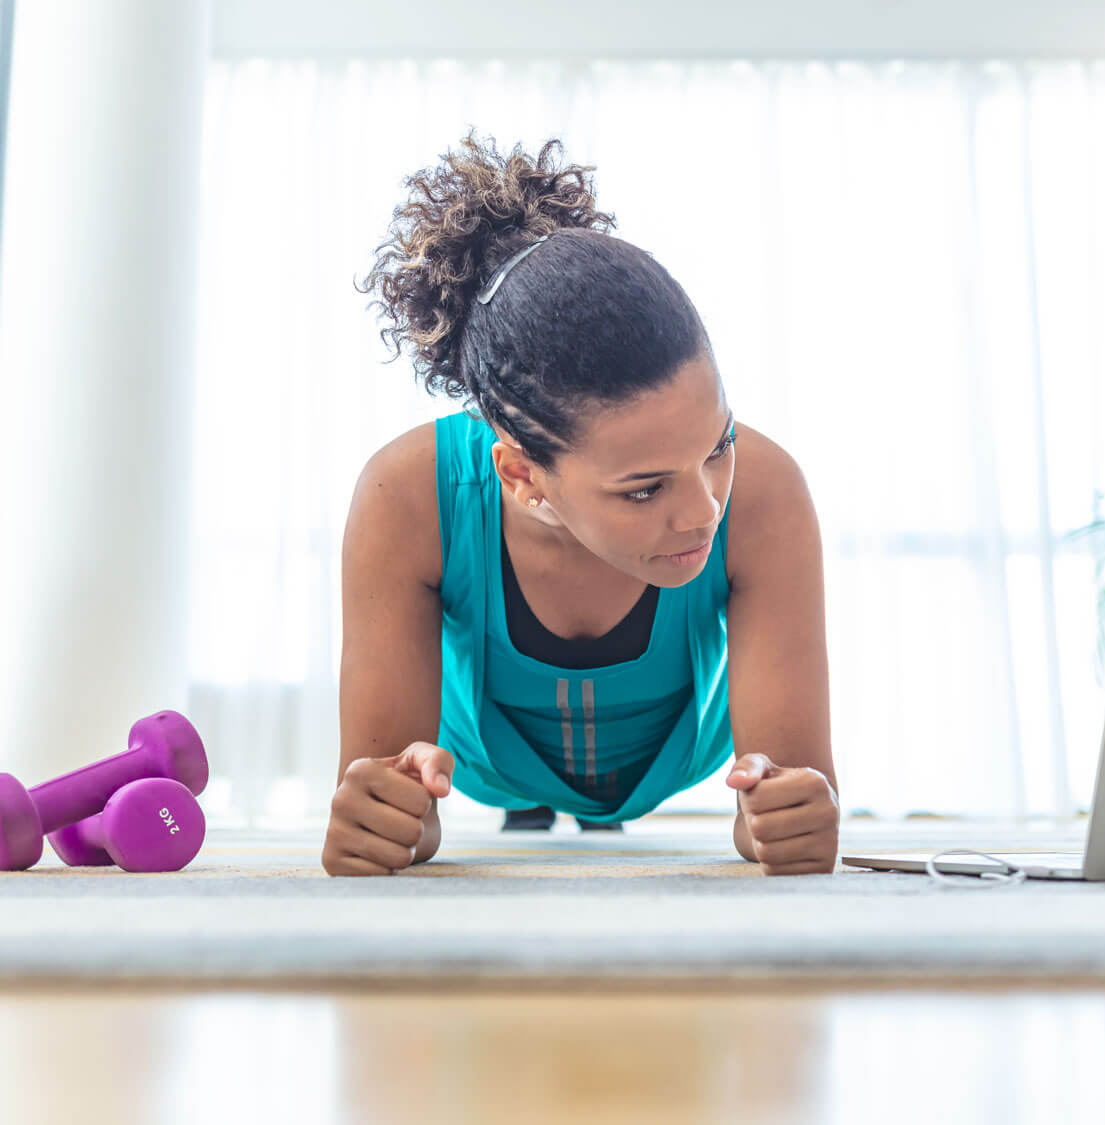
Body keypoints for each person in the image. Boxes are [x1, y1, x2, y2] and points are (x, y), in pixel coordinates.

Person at [322, 131, 838, 876]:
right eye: (644, 487)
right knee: (498, 785)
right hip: (486, 757)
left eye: (717, 445)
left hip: (674, 755)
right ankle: (525, 799)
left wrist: (786, 817)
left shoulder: (770, 488)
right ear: (521, 475)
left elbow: (787, 798)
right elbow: (392, 802)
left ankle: (594, 808)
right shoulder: (402, 496)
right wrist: (388, 814)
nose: (705, 511)